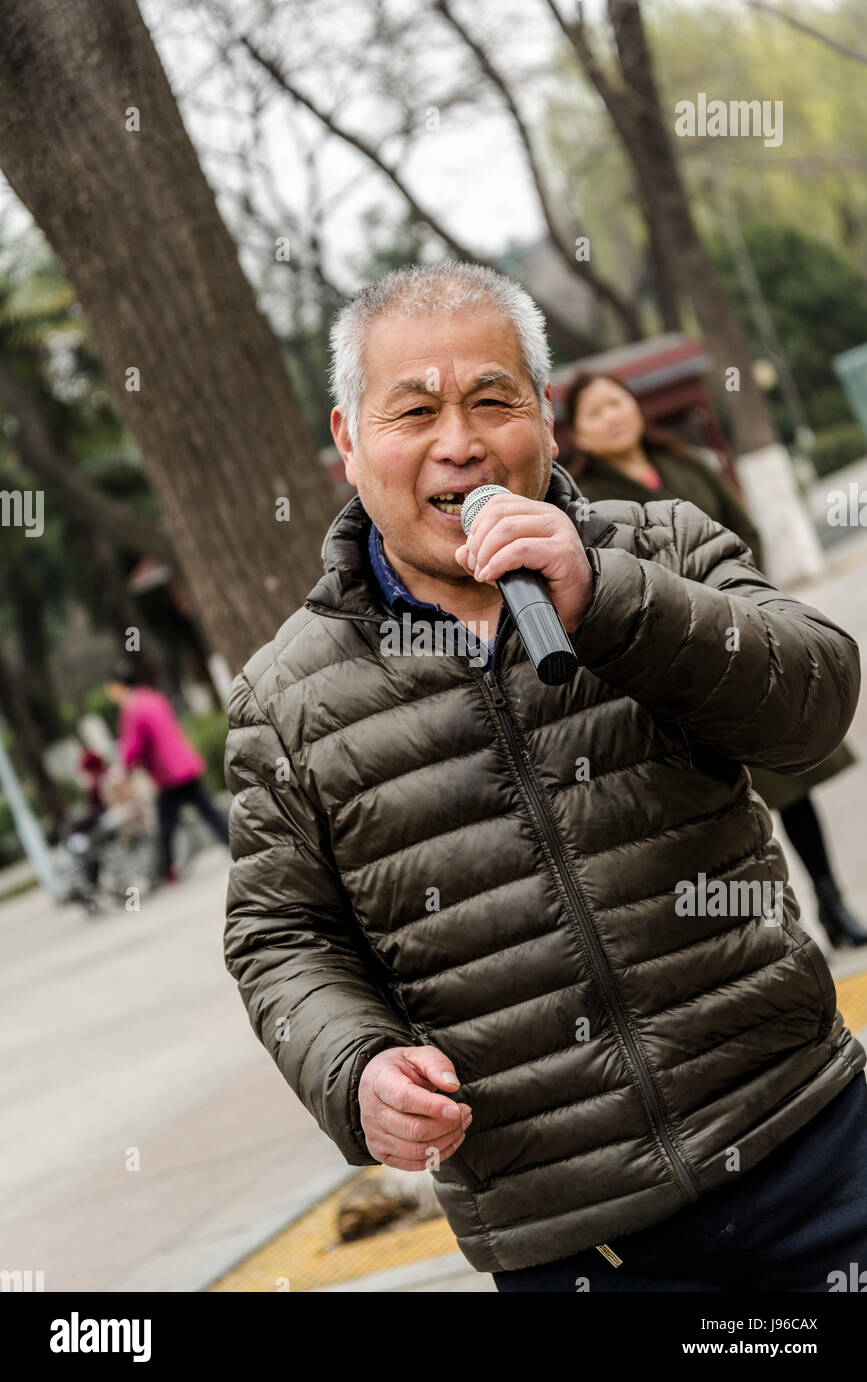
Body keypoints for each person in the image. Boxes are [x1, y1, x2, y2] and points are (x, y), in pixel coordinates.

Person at [223, 260, 867, 1291]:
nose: (459, 441)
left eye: (492, 399)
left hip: (811, 1149)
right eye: (414, 410)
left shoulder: (663, 548)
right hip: (573, 1237)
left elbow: (814, 704)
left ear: (548, 423)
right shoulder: (285, 698)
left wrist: (608, 595)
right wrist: (355, 1069)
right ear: (349, 444)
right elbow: (279, 936)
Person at [562, 370, 867, 951]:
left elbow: (742, 527)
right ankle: (772, 932)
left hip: (741, 642)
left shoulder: (685, 463)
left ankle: (832, 903)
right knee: (724, 809)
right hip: (671, 666)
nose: (613, 416)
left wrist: (748, 603)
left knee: (792, 790)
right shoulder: (585, 500)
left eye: (618, 401)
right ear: (576, 432)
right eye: (596, 412)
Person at [106, 661, 229, 882]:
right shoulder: (153, 697)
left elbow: (133, 744)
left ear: (119, 685)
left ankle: (166, 871)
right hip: (185, 765)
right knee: (208, 811)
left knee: (166, 825)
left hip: (169, 774)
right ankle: (234, 844)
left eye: (111, 687)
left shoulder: (131, 706)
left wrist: (121, 770)